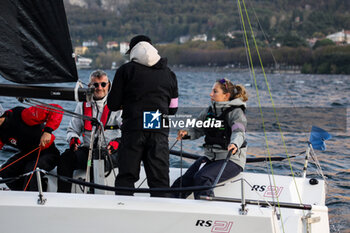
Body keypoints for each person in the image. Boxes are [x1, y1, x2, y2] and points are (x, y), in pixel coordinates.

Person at [107, 35, 178, 197]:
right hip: (158, 128)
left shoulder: (125, 71)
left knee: (127, 176)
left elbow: (112, 104)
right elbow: (173, 108)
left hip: (134, 127)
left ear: (132, 52)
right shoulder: (169, 74)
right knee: (159, 180)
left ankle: (124, 210)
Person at [172, 78, 248, 199]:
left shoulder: (236, 112)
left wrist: (234, 144)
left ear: (226, 95)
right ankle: (170, 205)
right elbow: (197, 130)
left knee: (202, 178)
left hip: (231, 160)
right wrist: (186, 133)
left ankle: (206, 207)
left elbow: (239, 131)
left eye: (215, 91)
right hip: (211, 158)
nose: (210, 94)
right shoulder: (208, 111)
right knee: (184, 181)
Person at [57, 70, 122, 193]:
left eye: (103, 84)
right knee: (66, 158)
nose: (99, 88)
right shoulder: (82, 105)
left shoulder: (118, 106)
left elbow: (128, 132)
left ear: (109, 85)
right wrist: (73, 139)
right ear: (89, 86)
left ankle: (93, 197)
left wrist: (118, 142)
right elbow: (72, 129)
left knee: (97, 161)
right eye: (95, 85)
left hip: (109, 152)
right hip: (88, 150)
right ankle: (63, 196)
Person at [0, 103, 63, 191]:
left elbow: (56, 108)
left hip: (48, 153)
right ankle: (22, 195)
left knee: (32, 170)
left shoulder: (22, 115)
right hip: (28, 154)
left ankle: (34, 197)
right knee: (5, 171)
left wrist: (48, 131)